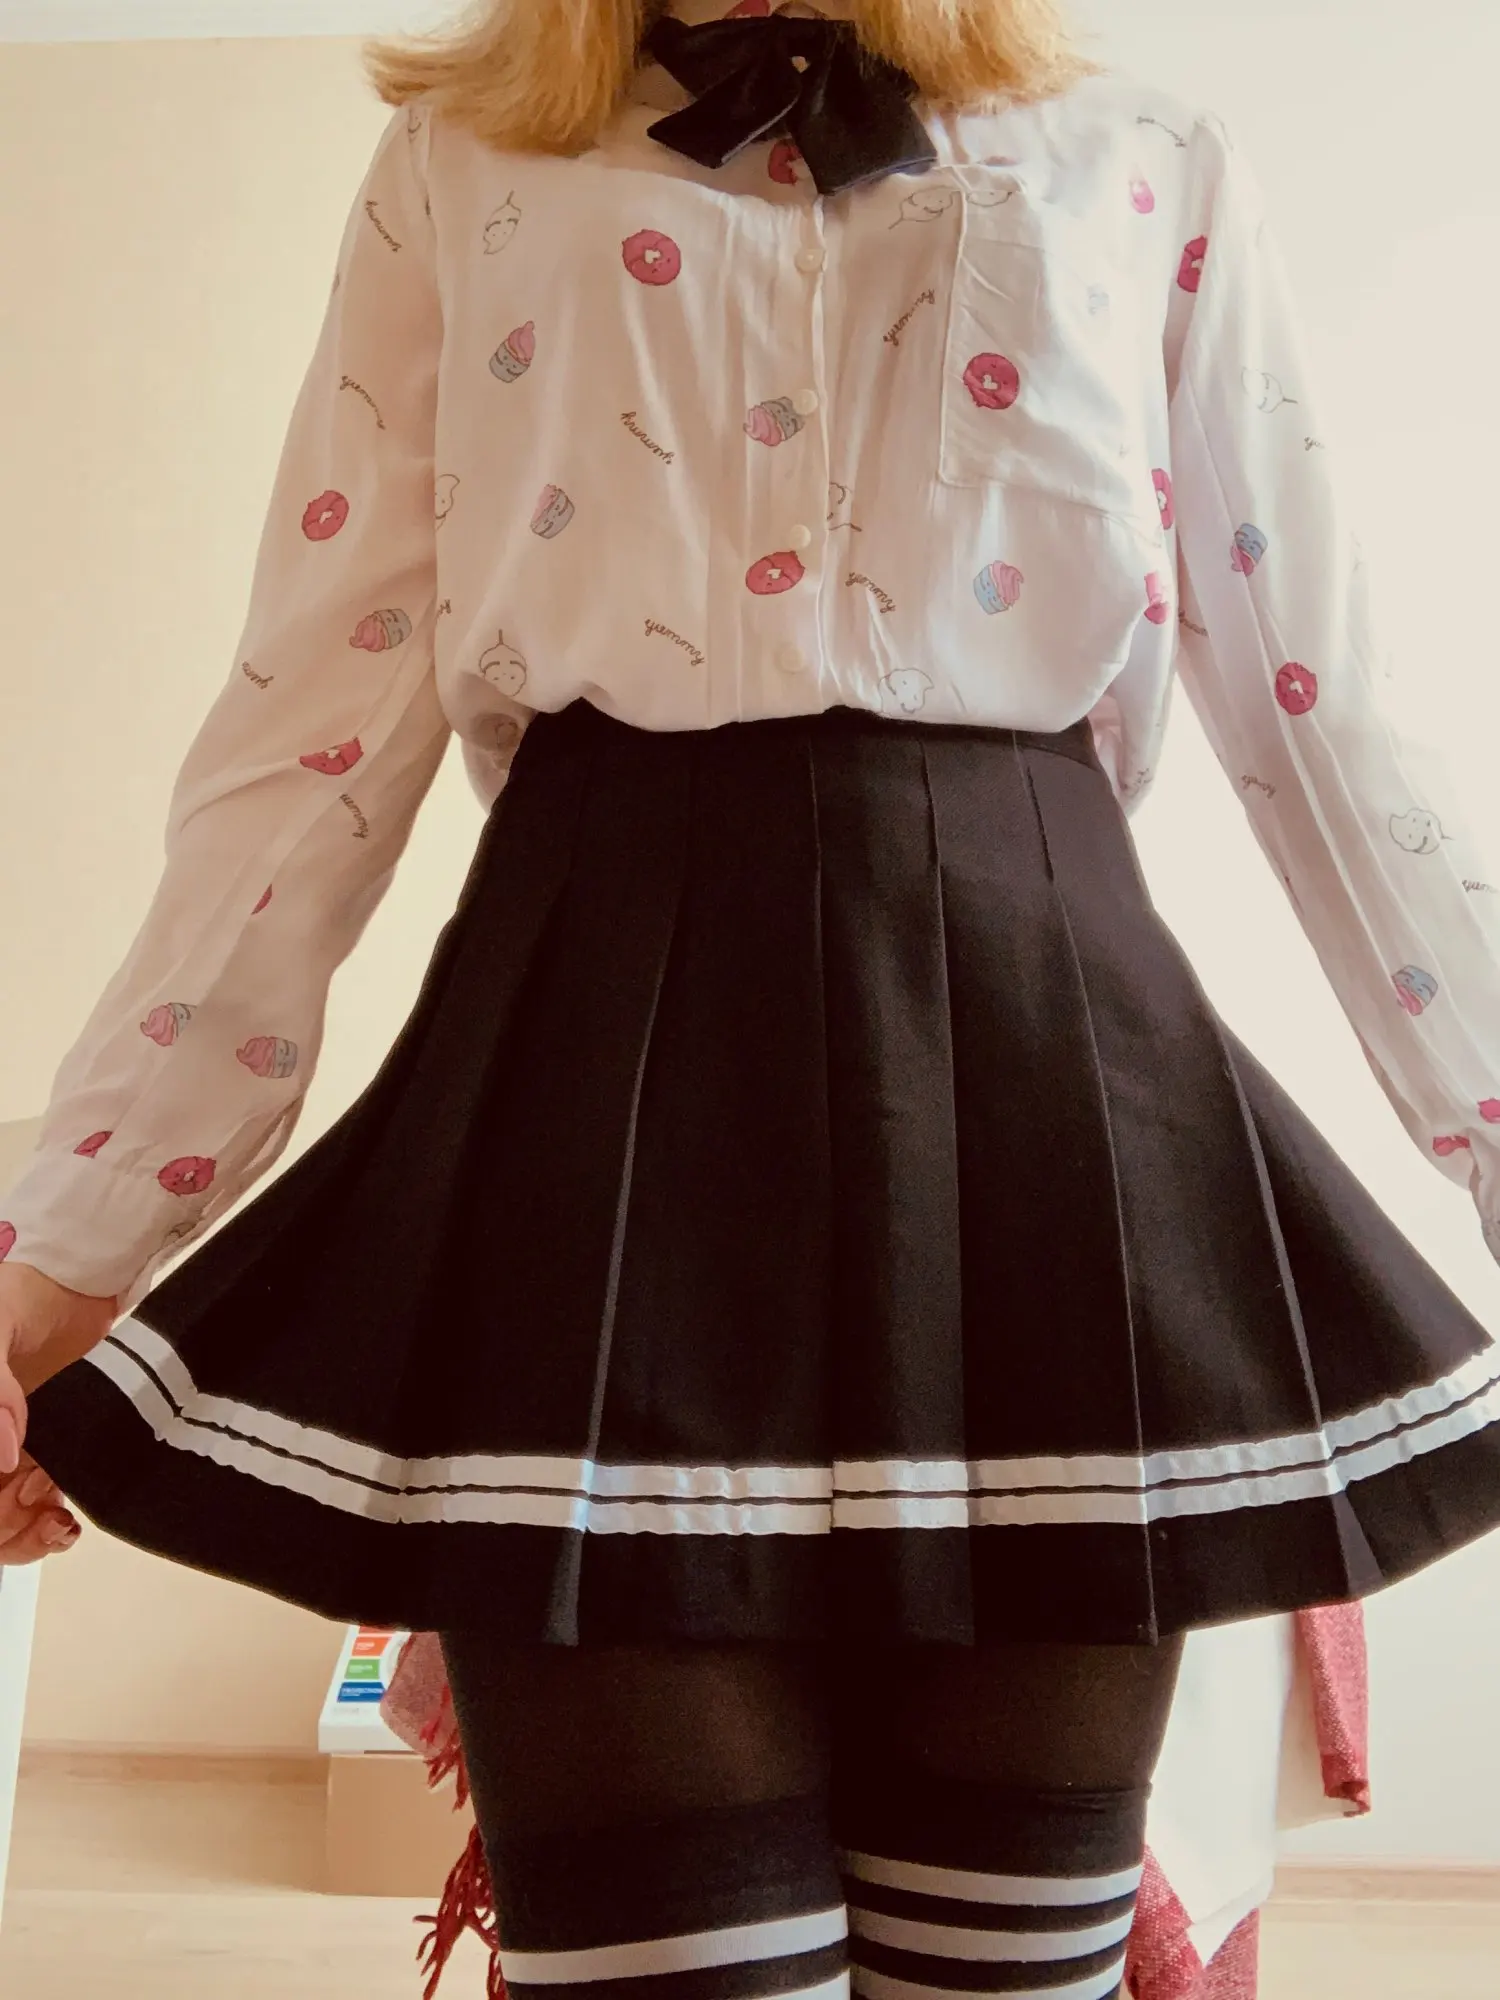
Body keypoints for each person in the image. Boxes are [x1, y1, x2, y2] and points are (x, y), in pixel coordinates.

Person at [3, 3, 1500, 1998]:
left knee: (1005, 1974)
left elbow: (1325, 722)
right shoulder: (463, 167)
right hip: (595, 1088)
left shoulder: (1145, 158)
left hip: (1043, 1116)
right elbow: (310, 743)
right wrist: (61, 1265)